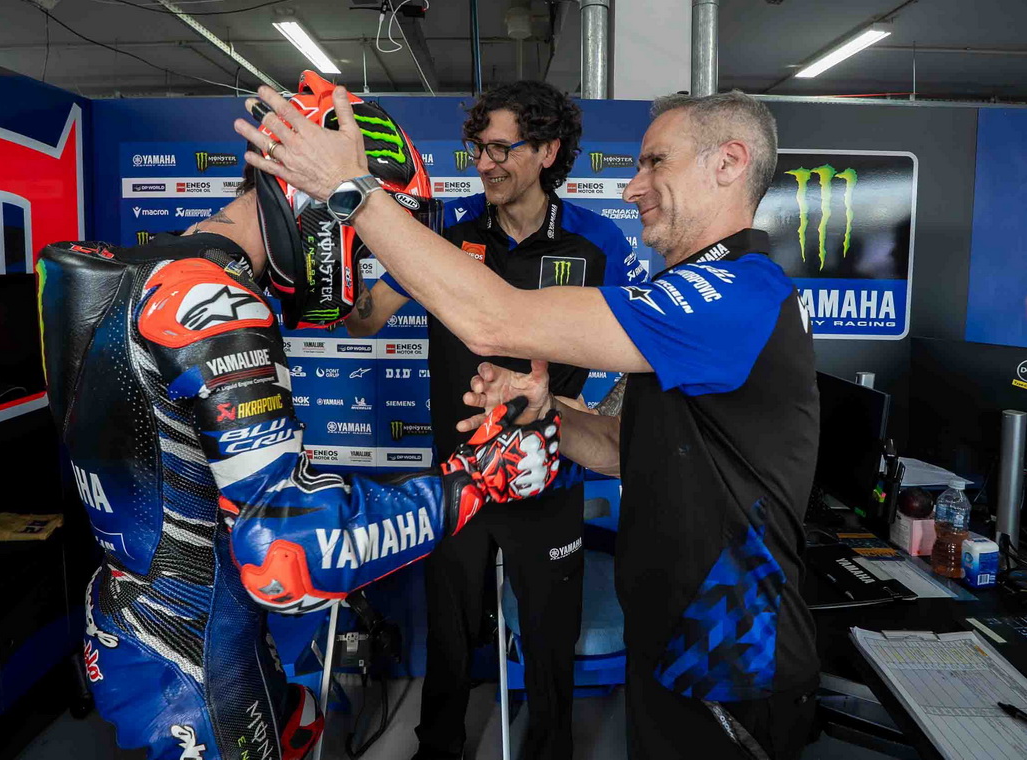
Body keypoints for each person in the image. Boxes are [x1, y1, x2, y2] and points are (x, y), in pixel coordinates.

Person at [237, 86, 820, 759]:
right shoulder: (691, 298)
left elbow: (494, 320)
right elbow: (621, 446)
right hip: (669, 629)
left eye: (655, 162)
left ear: (729, 163)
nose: (633, 187)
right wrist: (545, 416)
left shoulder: (737, 294)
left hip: (732, 650)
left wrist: (352, 189)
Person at [37, 73, 562, 760]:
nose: (364, 260)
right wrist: (477, 481)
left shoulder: (138, 271)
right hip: (201, 667)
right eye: (365, 234)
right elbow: (288, 557)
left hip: (147, 626)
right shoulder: (209, 299)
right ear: (315, 202)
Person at [343, 80, 644, 760]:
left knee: (549, 638)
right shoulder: (443, 232)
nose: (484, 163)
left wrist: (597, 415)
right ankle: (438, 747)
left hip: (551, 478)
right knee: (449, 632)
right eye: (478, 148)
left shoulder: (597, 242)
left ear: (547, 152)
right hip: (457, 477)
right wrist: (337, 260)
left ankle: (550, 750)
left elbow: (643, 354)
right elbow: (364, 321)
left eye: (502, 149)